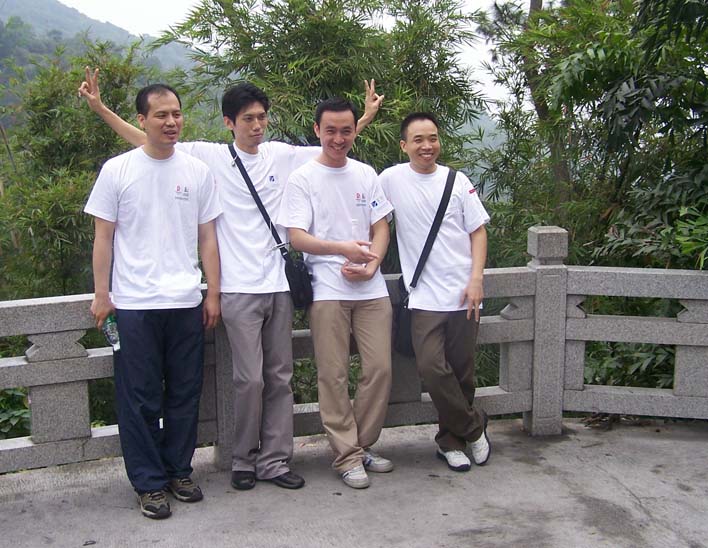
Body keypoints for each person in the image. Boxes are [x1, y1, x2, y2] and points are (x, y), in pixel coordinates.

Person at [79, 69, 383, 491]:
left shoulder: (281, 155)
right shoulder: (208, 158)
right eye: (247, 119)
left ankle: (275, 460)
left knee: (280, 378)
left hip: (277, 285)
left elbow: (333, 142)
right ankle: (243, 459)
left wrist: (364, 118)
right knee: (249, 379)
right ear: (229, 122)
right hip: (237, 287)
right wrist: (101, 110)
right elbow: (148, 139)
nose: (257, 126)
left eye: (261, 117)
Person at [84, 84, 222, 519]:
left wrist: (212, 292)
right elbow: (103, 237)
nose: (171, 122)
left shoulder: (197, 171)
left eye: (176, 113)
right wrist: (102, 293)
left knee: (184, 393)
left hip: (185, 300)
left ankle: (179, 471)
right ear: (142, 120)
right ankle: (148, 483)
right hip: (134, 303)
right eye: (161, 115)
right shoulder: (118, 170)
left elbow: (207, 237)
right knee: (139, 398)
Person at [278, 97, 394, 489]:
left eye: (346, 131)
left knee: (380, 368)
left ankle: (361, 444)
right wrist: (342, 248)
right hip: (327, 287)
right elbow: (297, 237)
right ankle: (347, 456)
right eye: (330, 131)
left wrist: (373, 263)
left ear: (354, 131)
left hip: (371, 287)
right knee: (333, 374)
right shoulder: (303, 179)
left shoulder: (365, 173)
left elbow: (381, 226)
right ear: (317, 130)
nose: (339, 138)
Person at [378, 112, 491, 472]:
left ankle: (450, 442)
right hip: (423, 295)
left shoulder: (457, 181)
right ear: (404, 145)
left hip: (463, 293)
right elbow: (362, 201)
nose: (427, 146)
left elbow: (478, 231)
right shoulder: (390, 179)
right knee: (431, 367)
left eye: (433, 138)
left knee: (462, 372)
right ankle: (475, 427)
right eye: (418, 140)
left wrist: (476, 278)